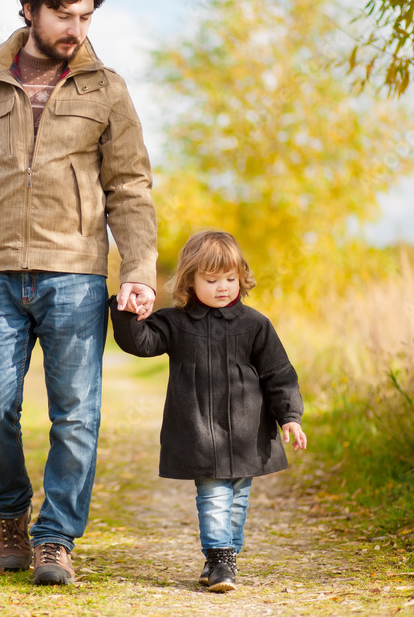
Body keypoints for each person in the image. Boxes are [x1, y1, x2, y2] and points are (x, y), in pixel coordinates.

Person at [0, 0, 157, 586]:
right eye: (61, 14)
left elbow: (131, 186)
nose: (74, 28)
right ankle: (10, 513)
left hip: (76, 271)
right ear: (28, 10)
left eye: (83, 16)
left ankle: (56, 538)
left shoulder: (107, 89)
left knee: (76, 413)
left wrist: (138, 269)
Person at [108, 230, 307, 593]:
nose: (223, 287)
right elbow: (140, 342)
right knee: (214, 496)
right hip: (200, 432)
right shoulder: (176, 323)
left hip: (248, 435)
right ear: (190, 280)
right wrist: (127, 312)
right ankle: (220, 560)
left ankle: (222, 557)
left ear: (241, 277)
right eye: (212, 280)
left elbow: (278, 373)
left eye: (230, 279)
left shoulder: (255, 325)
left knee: (237, 501)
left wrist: (290, 417)